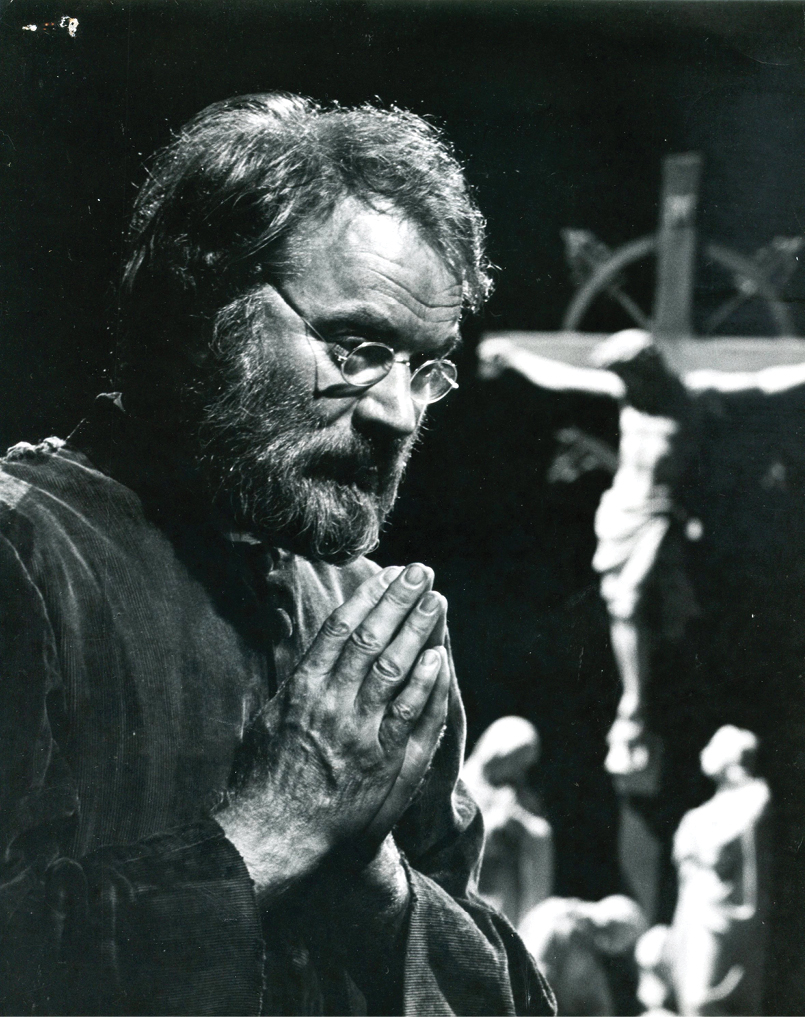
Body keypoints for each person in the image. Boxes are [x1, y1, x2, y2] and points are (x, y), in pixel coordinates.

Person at [0, 94, 555, 1016]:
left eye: (426, 370)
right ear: (202, 310)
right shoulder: (24, 549)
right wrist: (274, 831)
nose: (398, 415)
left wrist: (377, 882)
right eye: (357, 346)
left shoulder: (375, 625)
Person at [478, 330, 805, 793]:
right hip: (621, 512)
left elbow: (765, 382)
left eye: (630, 376)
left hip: (658, 514)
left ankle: (635, 702)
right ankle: (635, 700)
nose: (625, 385)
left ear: (649, 370)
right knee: (623, 605)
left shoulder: (693, 394)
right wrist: (514, 357)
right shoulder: (626, 394)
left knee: (632, 602)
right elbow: (562, 377)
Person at [669, 726, 771, 1015]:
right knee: (689, 997)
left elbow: (718, 852)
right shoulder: (703, 812)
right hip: (695, 909)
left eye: (714, 746)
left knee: (704, 999)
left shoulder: (753, 798)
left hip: (722, 914)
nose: (705, 753)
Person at [462, 716, 554, 926]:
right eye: (515, 761)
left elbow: (538, 831)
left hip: (509, 884)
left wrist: (521, 824)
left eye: (524, 766)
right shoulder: (463, 785)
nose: (518, 771)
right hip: (475, 883)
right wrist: (497, 823)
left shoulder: (517, 792)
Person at [518, 894, 647, 1016]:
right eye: (625, 945)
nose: (622, 951)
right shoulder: (559, 923)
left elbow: (598, 1003)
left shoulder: (589, 941)